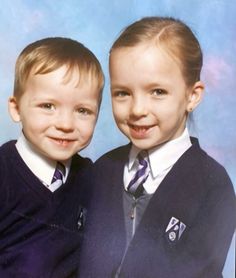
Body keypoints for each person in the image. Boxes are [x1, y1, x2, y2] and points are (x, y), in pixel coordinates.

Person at [79, 17, 236, 277]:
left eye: (158, 92)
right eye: (123, 93)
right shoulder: (102, 170)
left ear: (192, 95)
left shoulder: (213, 187)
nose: (138, 109)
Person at [0, 37, 104, 278]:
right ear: (16, 109)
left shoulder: (91, 177)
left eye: (82, 111)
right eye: (48, 106)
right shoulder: (4, 173)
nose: (65, 124)